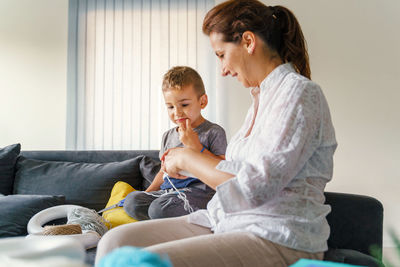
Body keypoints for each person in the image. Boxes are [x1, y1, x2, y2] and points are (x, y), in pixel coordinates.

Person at [95, 1, 337, 266]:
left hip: (276, 235)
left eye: (221, 54)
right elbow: (235, 172)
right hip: (225, 221)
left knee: (140, 261)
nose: (222, 69)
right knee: (114, 242)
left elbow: (255, 187)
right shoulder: (258, 102)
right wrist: (190, 156)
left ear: (248, 41)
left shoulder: (299, 94)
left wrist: (189, 159)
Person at [123, 66, 227, 220]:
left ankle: (162, 216)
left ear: (202, 101)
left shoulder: (214, 132)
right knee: (133, 201)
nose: (177, 112)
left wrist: (196, 146)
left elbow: (222, 169)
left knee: (159, 209)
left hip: (200, 192)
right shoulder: (167, 136)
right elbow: (162, 171)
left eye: (184, 105)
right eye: (170, 106)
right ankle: (162, 217)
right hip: (169, 192)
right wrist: (148, 192)